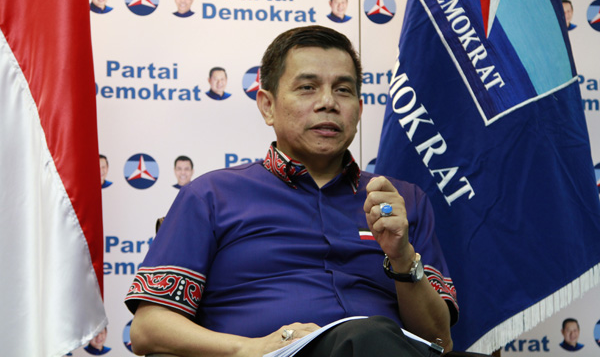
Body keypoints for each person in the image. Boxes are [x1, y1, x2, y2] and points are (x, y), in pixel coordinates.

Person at [125, 25, 458, 357]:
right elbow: (148, 328)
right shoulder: (211, 196)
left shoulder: (400, 202)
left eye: (342, 90)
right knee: (368, 334)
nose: (328, 102)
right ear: (267, 106)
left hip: (383, 348)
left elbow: (439, 341)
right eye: (307, 87)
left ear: (359, 108)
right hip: (272, 354)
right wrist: (252, 348)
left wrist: (401, 258)